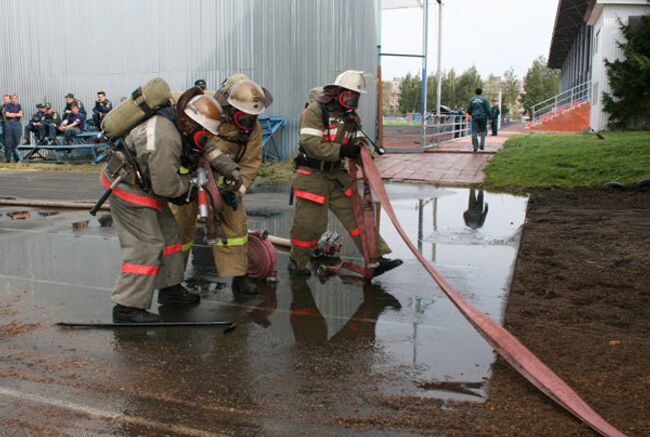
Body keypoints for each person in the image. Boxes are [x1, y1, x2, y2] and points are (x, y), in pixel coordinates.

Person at [103, 86, 231, 323]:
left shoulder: (180, 122)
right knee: (146, 245)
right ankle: (126, 307)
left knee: (171, 237)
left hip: (146, 184)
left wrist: (225, 165)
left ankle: (170, 289)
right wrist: (191, 184)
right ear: (191, 123)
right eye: (202, 132)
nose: (204, 137)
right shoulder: (166, 138)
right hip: (127, 186)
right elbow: (167, 187)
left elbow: (203, 146)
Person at [289, 70, 402, 278]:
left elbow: (359, 141)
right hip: (312, 176)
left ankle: (375, 258)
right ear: (337, 92)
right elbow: (311, 144)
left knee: (359, 218)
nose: (352, 101)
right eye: (349, 96)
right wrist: (342, 151)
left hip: (337, 177)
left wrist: (363, 154)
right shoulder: (315, 111)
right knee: (309, 226)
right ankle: (297, 263)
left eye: (356, 98)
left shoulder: (350, 118)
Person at [171, 74, 272, 295]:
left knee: (236, 226)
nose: (248, 121)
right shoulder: (207, 109)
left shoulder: (253, 130)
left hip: (224, 181)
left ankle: (239, 276)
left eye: (252, 117)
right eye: (244, 116)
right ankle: (172, 283)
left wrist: (238, 191)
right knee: (180, 228)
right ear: (231, 108)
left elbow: (250, 163)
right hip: (188, 177)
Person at [2, 94, 23, 162]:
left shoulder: (19, 105)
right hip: (8, 123)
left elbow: (21, 114)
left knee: (17, 140)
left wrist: (12, 114)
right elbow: (7, 114)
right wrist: (16, 114)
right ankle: (8, 159)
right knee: (8, 141)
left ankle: (15, 157)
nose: (14, 99)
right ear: (11, 99)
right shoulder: (7, 105)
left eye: (15, 98)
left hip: (17, 123)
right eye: (13, 98)